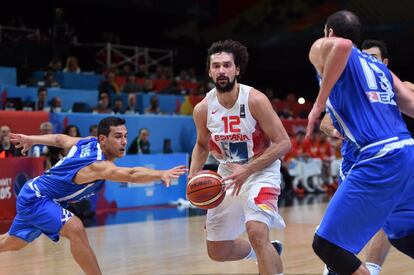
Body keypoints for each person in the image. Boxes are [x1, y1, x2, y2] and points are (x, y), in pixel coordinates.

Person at [1, 116, 186, 275]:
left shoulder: (89, 141)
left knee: (11, 243)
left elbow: (60, 139)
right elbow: (130, 174)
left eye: (125, 136)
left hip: (38, 195)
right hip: (38, 197)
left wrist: (32, 139)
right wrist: (160, 174)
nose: (123, 142)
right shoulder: (98, 165)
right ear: (103, 139)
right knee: (75, 228)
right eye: (118, 136)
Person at [307, 10, 414, 275]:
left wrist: (317, 104)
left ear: (329, 32)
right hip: (407, 154)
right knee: (402, 233)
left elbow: (342, 46)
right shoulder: (378, 67)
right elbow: (410, 103)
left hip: (379, 156)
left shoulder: (327, 47)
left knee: (327, 245)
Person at [189, 39, 291, 275]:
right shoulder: (203, 108)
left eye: (227, 65)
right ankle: (266, 252)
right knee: (217, 251)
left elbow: (284, 142)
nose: (221, 70)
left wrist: (248, 170)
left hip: (261, 171)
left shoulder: (254, 100)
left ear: (237, 69)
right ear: (210, 71)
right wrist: (193, 176)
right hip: (227, 173)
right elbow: (202, 145)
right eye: (216, 66)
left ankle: (263, 248)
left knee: (256, 232)